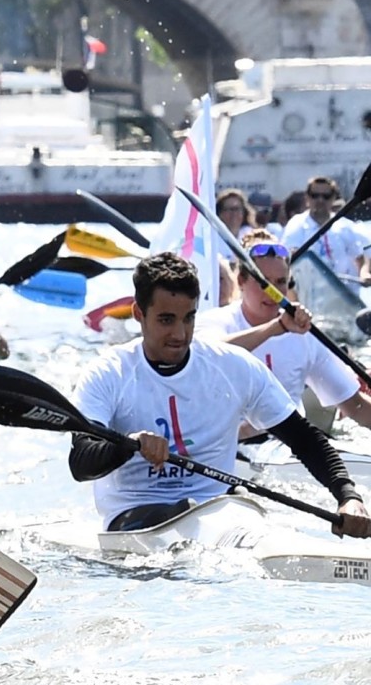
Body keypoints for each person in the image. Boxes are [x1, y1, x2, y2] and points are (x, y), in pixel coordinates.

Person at [68, 252, 370, 536]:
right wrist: (128, 445)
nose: (180, 334)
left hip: (221, 511)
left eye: (188, 318)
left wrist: (348, 495)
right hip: (136, 515)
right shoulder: (107, 373)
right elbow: (81, 463)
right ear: (138, 313)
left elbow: (304, 439)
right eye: (166, 320)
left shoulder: (232, 365)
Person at [200, 233, 371, 432]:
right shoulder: (214, 322)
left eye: (281, 282)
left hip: (289, 449)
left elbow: (355, 406)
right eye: (264, 282)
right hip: (231, 447)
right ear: (241, 281)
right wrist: (276, 328)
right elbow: (207, 356)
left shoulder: (304, 335)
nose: (272, 291)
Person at [282, 176, 371, 284]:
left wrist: (364, 273)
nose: (320, 200)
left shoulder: (345, 226)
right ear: (307, 198)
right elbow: (288, 256)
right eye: (315, 195)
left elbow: (360, 257)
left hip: (344, 295)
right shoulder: (296, 224)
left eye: (326, 196)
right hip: (310, 294)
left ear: (333, 198)